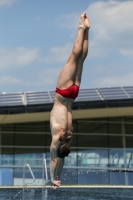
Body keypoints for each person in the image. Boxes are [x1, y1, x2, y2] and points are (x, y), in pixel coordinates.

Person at [50, 12, 90, 189]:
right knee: (73, 57)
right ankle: (81, 27)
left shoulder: (68, 138)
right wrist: (53, 178)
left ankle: (87, 31)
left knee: (81, 59)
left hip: (73, 95)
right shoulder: (57, 137)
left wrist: (58, 177)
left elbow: (61, 160)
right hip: (62, 93)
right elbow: (54, 160)